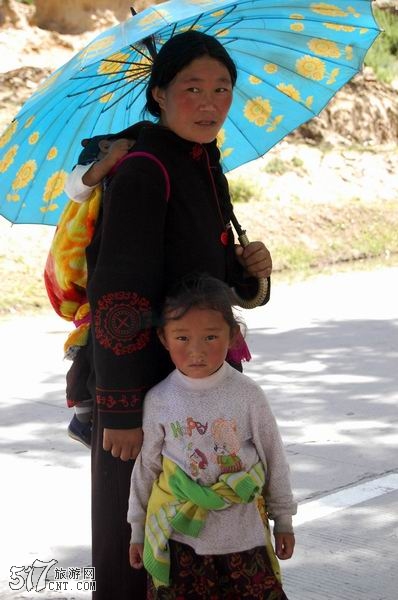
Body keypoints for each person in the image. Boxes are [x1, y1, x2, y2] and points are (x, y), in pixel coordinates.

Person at [84, 30, 273, 599]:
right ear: (159, 93)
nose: (211, 102)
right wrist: (119, 410)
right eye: (192, 88)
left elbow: (207, 277)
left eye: (222, 88)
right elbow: (117, 291)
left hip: (200, 377)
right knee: (138, 532)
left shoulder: (200, 161)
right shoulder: (145, 168)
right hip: (144, 389)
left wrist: (250, 272)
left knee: (201, 528)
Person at [128, 274, 296, 599]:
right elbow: (147, 468)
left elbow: (275, 459)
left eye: (210, 337)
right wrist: (137, 529)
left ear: (233, 335)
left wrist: (284, 520)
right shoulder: (159, 400)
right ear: (163, 337)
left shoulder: (248, 395)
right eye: (182, 338)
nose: (196, 351)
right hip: (180, 542)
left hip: (244, 539)